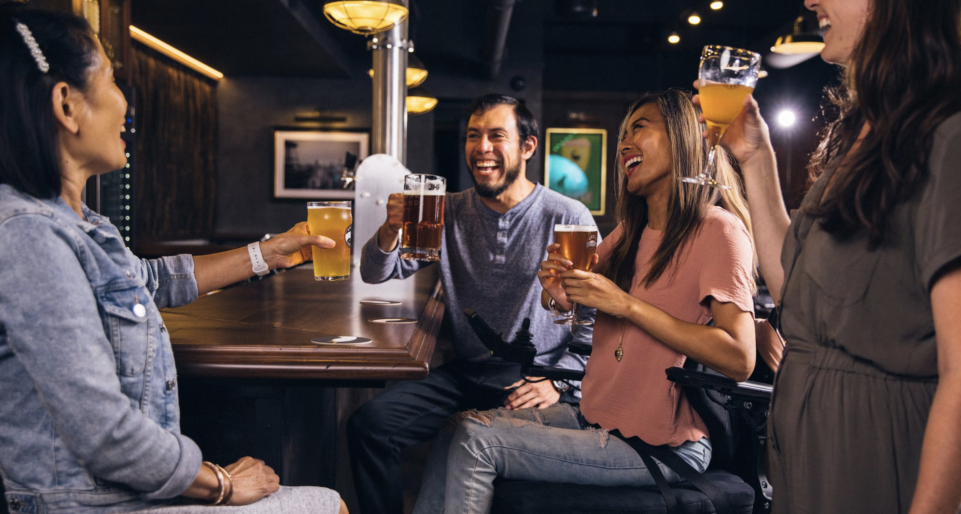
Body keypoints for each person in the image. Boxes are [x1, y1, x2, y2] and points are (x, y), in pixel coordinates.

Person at [0, 7, 346, 514]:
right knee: (328, 505)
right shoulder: (30, 236)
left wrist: (270, 252)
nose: (126, 105)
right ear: (66, 105)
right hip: (88, 505)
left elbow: (152, 281)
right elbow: (106, 435)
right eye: (113, 81)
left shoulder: (84, 224)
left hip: (126, 491)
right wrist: (221, 482)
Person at [697, 0, 961, 512]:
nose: (811, 1)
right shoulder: (870, 130)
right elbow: (793, 288)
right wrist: (756, 157)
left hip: (880, 456)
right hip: (810, 457)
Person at [411, 89, 758, 513]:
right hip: (600, 417)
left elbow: (740, 358)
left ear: (684, 136)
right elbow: (568, 308)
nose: (624, 143)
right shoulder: (630, 234)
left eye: (640, 128)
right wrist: (558, 296)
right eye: (623, 133)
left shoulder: (717, 231)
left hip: (661, 443)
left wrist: (627, 305)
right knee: (455, 428)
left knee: (475, 441)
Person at [350, 94, 597, 514]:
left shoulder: (567, 216)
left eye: (497, 136)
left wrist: (559, 383)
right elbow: (377, 273)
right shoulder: (445, 211)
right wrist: (390, 230)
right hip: (466, 374)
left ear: (528, 147)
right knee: (370, 425)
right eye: (473, 136)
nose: (482, 147)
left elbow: (596, 318)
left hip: (532, 378)